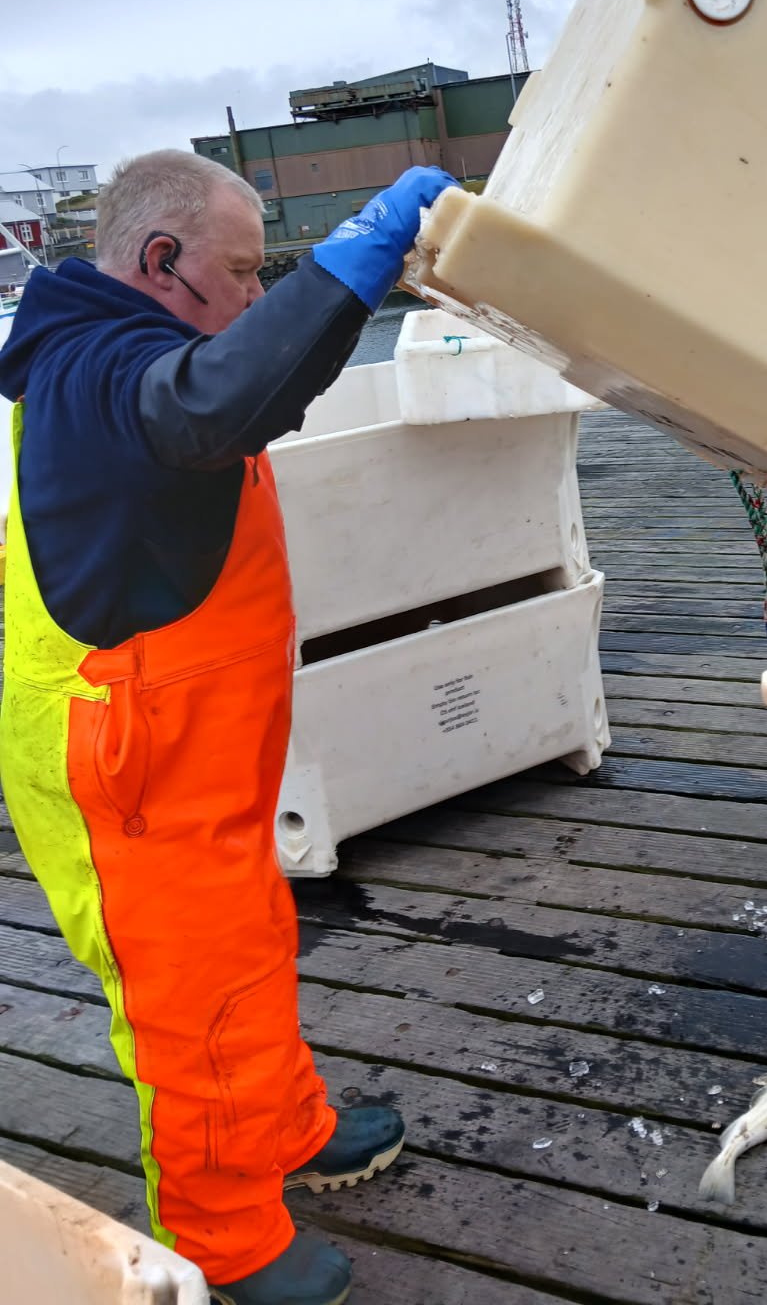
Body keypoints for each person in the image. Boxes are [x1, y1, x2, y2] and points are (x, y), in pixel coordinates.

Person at [0, 149, 458, 1305]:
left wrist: (335, 287)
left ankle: (285, 1125)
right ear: (162, 259)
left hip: (198, 752)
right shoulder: (100, 371)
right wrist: (355, 263)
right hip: (128, 766)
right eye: (245, 273)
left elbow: (242, 383)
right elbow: (209, 407)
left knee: (246, 946)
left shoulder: (120, 339)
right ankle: (224, 1234)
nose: (257, 299)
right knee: (186, 995)